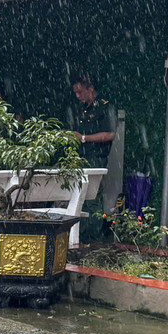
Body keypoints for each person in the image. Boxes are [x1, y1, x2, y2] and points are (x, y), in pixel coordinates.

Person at [69, 72, 115, 241]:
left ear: (91, 88)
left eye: (80, 92)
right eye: (75, 92)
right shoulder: (82, 109)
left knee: (93, 197)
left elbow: (110, 134)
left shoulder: (104, 107)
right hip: (81, 158)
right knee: (79, 196)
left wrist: (83, 138)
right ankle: (81, 235)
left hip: (96, 158)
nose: (78, 96)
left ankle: (93, 237)